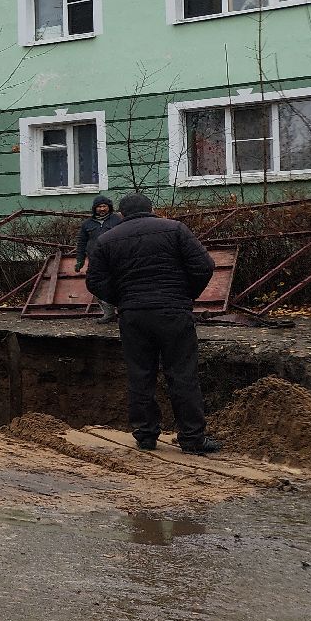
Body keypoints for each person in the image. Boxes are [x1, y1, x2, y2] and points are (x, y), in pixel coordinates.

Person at [84, 194, 222, 454]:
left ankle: (146, 435)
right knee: (182, 374)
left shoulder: (107, 239)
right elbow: (205, 265)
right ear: (152, 209)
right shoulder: (175, 229)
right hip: (173, 312)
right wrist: (185, 295)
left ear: (121, 214)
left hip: (133, 316)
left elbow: (94, 280)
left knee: (140, 374)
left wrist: (122, 298)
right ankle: (192, 438)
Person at [74, 195, 122, 322]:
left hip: (114, 259)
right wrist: (80, 260)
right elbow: (82, 243)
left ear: (109, 207)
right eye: (99, 207)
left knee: (118, 285)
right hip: (96, 261)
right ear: (94, 208)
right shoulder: (87, 224)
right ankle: (109, 314)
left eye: (104, 206)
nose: (102, 209)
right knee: (97, 285)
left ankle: (123, 312)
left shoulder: (117, 220)